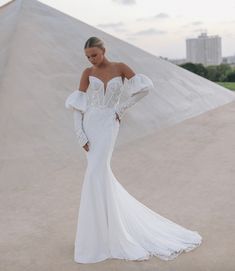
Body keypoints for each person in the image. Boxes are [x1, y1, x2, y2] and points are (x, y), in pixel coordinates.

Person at [65, 36, 202, 264]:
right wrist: (80, 134)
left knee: (99, 173)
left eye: (94, 55)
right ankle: (96, 237)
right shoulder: (87, 73)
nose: (92, 59)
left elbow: (144, 88)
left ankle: (109, 234)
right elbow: (78, 106)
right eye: (88, 56)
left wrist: (121, 108)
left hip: (109, 124)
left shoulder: (120, 67)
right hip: (90, 124)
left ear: (103, 50)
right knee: (95, 176)